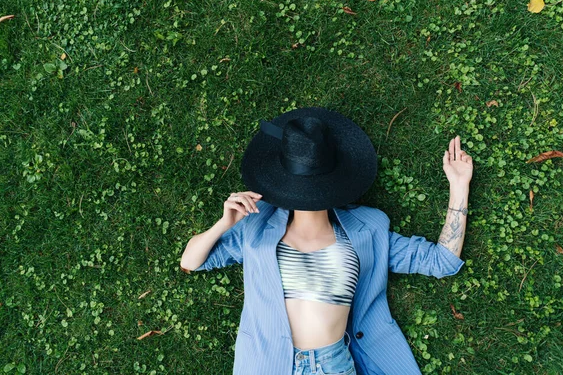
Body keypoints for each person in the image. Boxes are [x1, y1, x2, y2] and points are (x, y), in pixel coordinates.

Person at [180, 107, 473, 375]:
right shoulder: (257, 227)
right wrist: (224, 223)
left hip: (332, 365)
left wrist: (459, 187)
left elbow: (441, 262)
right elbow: (191, 261)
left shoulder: (367, 230)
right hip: (267, 363)